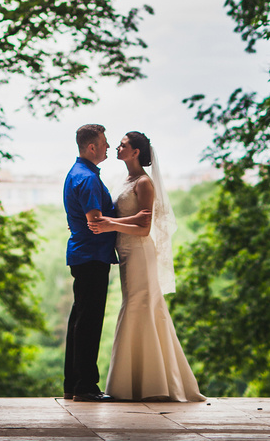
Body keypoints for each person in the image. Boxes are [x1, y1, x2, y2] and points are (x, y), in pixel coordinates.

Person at [82, 131, 206, 402]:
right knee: (137, 306)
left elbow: (144, 228)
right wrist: (110, 223)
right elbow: (129, 217)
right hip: (125, 252)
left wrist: (110, 225)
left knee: (140, 306)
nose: (117, 147)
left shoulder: (144, 183)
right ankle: (142, 380)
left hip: (139, 251)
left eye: (123, 145)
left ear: (135, 152)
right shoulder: (124, 180)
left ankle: (148, 384)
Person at [62, 124, 120, 401]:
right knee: (89, 322)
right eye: (105, 142)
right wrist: (132, 221)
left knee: (79, 320)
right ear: (92, 147)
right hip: (91, 255)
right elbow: (95, 223)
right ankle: (85, 387)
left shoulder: (80, 174)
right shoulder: (86, 178)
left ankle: (73, 384)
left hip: (84, 255)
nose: (108, 147)